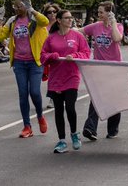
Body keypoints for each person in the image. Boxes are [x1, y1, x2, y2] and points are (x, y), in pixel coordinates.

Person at [0, 0, 50, 139]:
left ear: (26, 6)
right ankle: (27, 126)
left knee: (34, 92)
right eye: (15, 6)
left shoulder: (34, 19)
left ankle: (40, 116)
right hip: (19, 63)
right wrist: (0, 19)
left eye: (20, 6)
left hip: (35, 62)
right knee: (23, 94)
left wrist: (32, 9)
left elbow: (45, 22)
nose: (16, 8)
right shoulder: (13, 21)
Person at [39, 8, 90, 153]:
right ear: (59, 21)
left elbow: (86, 53)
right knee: (58, 110)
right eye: (67, 18)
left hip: (71, 77)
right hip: (56, 78)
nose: (70, 20)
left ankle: (74, 134)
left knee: (70, 107)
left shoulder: (77, 36)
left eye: (71, 17)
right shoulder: (51, 38)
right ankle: (61, 140)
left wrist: (75, 55)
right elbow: (42, 57)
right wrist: (52, 56)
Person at [82, 0, 124, 141]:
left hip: (114, 68)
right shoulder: (95, 26)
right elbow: (79, 32)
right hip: (98, 68)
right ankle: (90, 128)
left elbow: (117, 38)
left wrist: (113, 24)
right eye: (98, 12)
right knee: (96, 96)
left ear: (109, 13)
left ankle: (112, 129)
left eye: (101, 12)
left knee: (113, 99)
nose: (99, 14)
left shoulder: (118, 26)